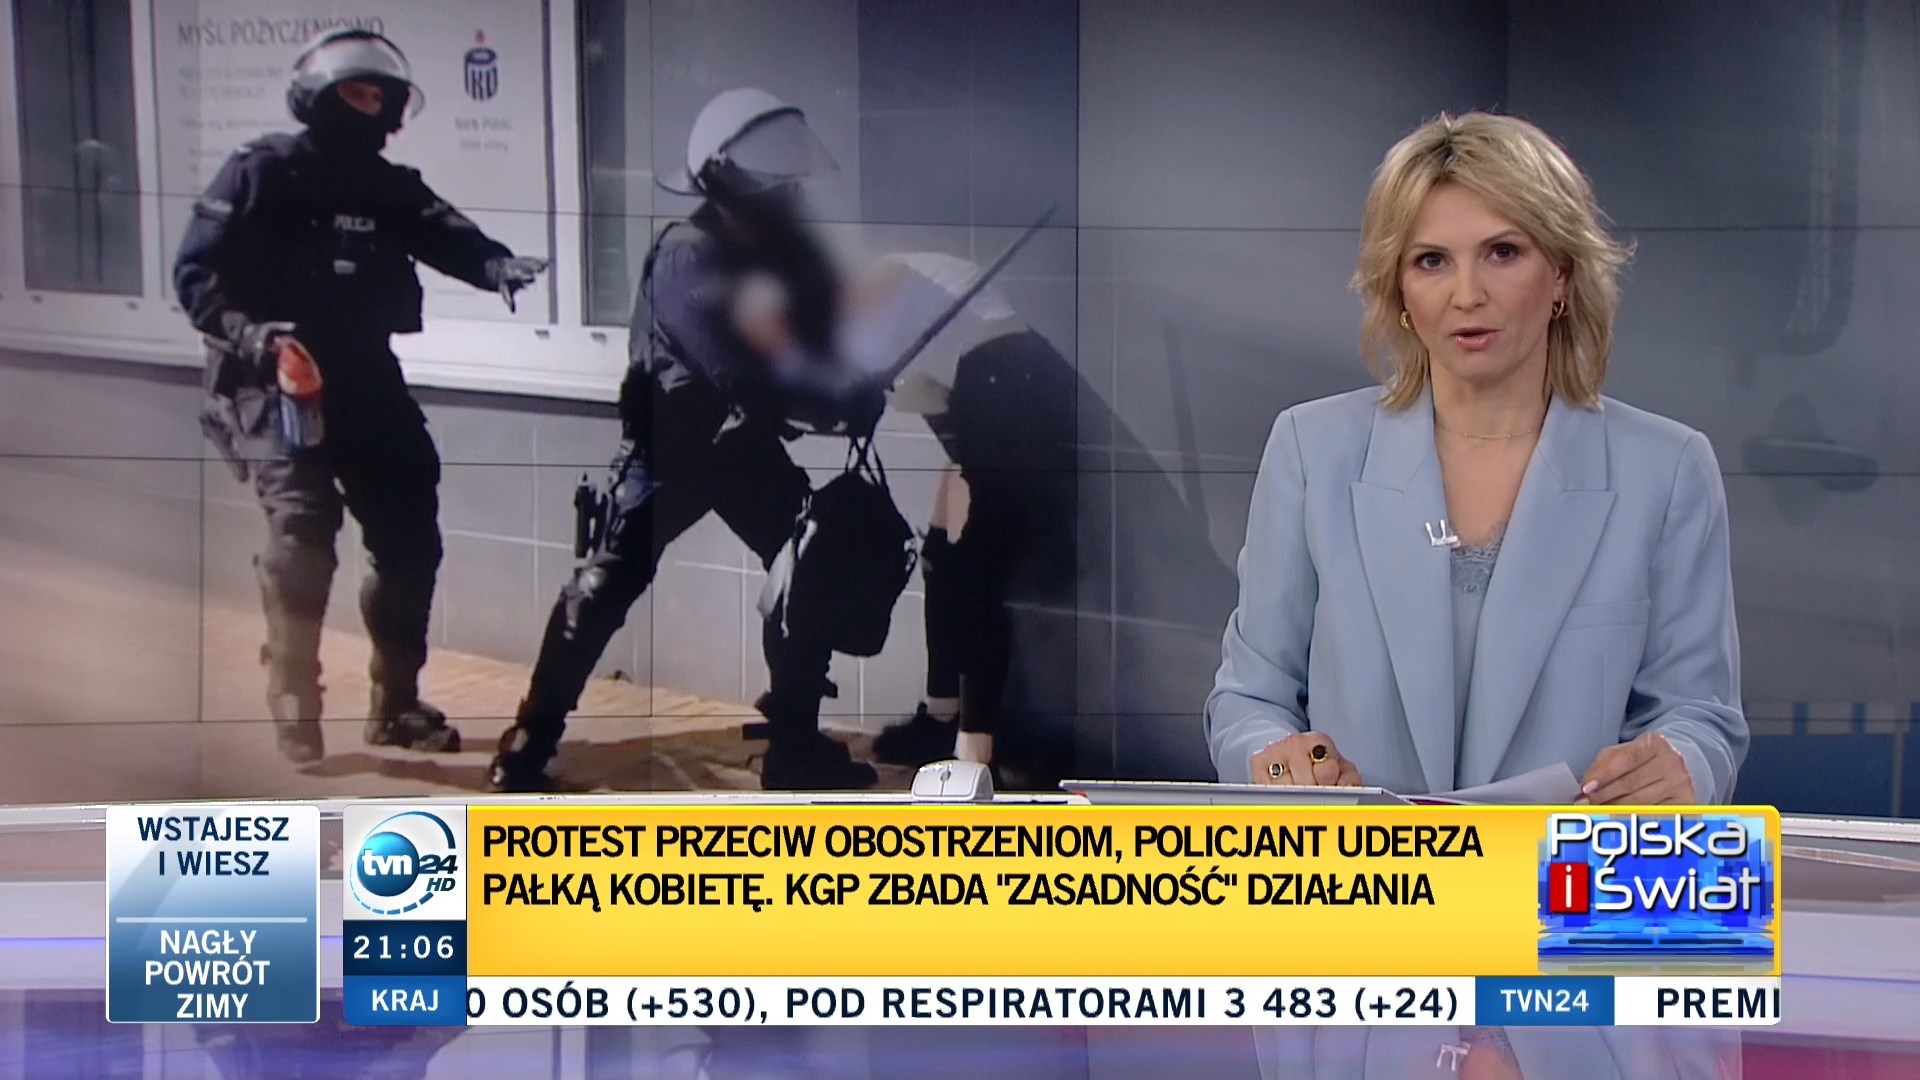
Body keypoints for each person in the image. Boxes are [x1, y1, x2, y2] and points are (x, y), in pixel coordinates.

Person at [1212, 109, 1745, 1080]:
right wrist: (1272, 761)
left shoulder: (1667, 469)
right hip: (1360, 951)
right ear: (1398, 290)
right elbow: (1250, 696)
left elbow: (1700, 715)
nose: (1467, 293)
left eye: (1503, 251)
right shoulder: (1313, 451)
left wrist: (1684, 768)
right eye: (1431, 261)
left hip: (1577, 953)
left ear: (1562, 275)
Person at [487, 88, 885, 793]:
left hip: (743, 450)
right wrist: (831, 401)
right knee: (602, 589)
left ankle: (794, 746)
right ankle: (529, 742)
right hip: (669, 451)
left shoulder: (767, 255)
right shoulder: (687, 255)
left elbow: (802, 345)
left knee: (807, 571)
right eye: (775, 184)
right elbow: (740, 369)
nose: (789, 196)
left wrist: (853, 380)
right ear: (729, 183)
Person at [176, 28, 548, 764]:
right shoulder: (260, 171)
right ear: (316, 98)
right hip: (275, 375)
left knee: (411, 532)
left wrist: (495, 266)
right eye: (354, 91)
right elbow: (196, 274)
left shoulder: (386, 183)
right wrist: (253, 337)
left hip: (364, 375)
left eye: (380, 96)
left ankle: (396, 704)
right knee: (303, 535)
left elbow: (443, 231)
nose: (369, 106)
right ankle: (294, 696)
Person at [849, 253, 1078, 786]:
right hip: (995, 379)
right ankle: (944, 718)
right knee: (944, 556)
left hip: (1004, 380)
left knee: (975, 571)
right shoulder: (907, 301)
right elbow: (931, 404)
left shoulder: (876, 287)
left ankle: (974, 752)